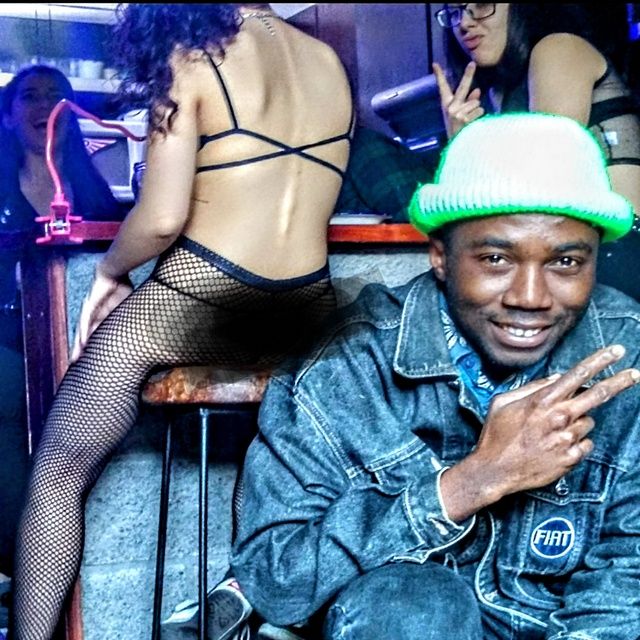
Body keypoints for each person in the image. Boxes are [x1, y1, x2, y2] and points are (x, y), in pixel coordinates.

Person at [10, 4, 353, 640]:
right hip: (308, 311)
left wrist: (111, 271)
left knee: (60, 461)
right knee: (275, 457)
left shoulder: (192, 54)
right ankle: (250, 600)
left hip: (209, 292)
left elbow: (162, 217)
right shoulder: (327, 61)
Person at [230, 112, 640, 640]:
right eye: (496, 259)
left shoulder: (628, 357)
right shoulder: (344, 366)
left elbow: (627, 576)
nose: (531, 298)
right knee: (415, 605)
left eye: (565, 263)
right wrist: (470, 482)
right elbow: (275, 581)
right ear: (441, 257)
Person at [0, 65, 122, 583]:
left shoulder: (92, 191)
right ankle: (17, 563)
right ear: (8, 116)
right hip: (8, 338)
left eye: (56, 96)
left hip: (76, 338)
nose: (45, 106)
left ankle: (78, 569)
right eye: (31, 96)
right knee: (10, 395)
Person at [431, 2, 640, 300]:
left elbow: (542, 184)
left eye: (482, 5)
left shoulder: (559, 48)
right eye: (455, 12)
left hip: (617, 255)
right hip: (565, 253)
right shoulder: (497, 90)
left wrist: (465, 146)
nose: (464, 23)